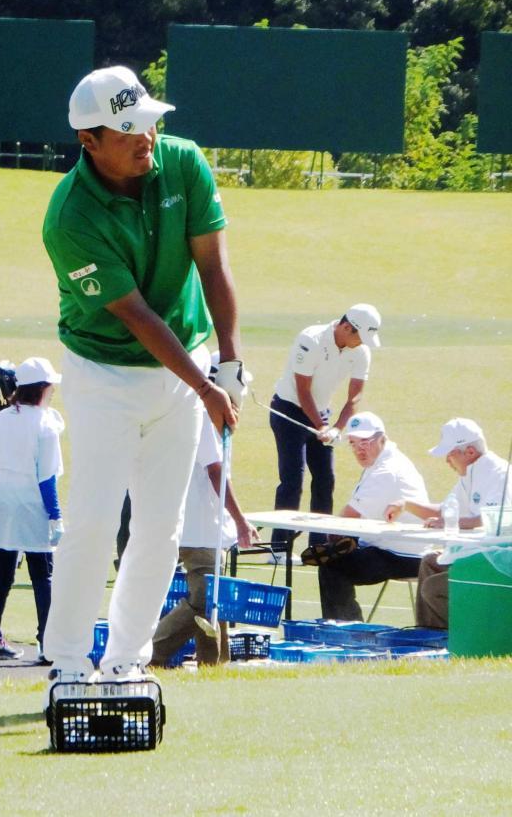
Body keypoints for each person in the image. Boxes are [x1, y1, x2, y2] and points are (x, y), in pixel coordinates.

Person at [40, 65, 246, 690]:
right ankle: (69, 661)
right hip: (104, 373)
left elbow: (213, 267)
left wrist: (229, 361)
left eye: (149, 124)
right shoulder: (69, 217)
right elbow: (135, 317)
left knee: (162, 525)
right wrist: (209, 387)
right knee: (95, 520)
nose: (145, 140)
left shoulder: (182, 163)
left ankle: (127, 659)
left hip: (183, 368)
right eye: (127, 130)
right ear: (89, 140)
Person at [268, 303, 382, 560]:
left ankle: (318, 549)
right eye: (360, 336)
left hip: (322, 413)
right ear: (346, 327)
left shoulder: (360, 351)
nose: (362, 343)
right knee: (292, 479)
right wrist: (321, 427)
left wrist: (337, 429)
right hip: (288, 410)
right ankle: (278, 548)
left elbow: (355, 396)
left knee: (325, 478)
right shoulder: (312, 339)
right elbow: (302, 389)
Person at [150, 411, 259, 667]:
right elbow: (216, 472)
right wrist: (241, 521)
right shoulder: (203, 422)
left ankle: (214, 665)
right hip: (200, 529)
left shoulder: (184, 417)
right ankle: (151, 651)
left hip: (194, 525)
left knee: (214, 601)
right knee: (203, 602)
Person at [0, 357, 65, 665]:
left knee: (2, 571)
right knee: (43, 574)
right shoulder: (46, 424)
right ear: (41, 389)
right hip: (29, 502)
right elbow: (47, 477)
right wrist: (55, 515)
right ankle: (48, 643)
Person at [386, 418, 511, 629]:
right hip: (478, 554)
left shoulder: (498, 474)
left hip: (496, 560)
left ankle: (461, 637)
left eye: (450, 453)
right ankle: (426, 634)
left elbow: (489, 518)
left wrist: (446, 523)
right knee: (429, 561)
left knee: (433, 588)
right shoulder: (469, 474)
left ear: (470, 452)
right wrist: (406, 504)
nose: (447, 461)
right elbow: (447, 510)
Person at [311, 412, 429, 620]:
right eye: (353, 443)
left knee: (331, 565)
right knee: (333, 557)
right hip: (392, 546)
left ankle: (347, 632)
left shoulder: (386, 470)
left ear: (382, 438)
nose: (359, 449)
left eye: (365, 442)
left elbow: (347, 520)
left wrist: (333, 537)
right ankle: (345, 626)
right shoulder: (382, 461)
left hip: (402, 554)